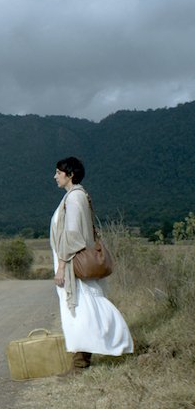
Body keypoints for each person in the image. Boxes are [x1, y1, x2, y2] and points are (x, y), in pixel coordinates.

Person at [49, 156, 133, 370]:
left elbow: (72, 235)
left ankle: (89, 355)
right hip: (70, 262)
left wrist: (61, 266)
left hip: (71, 263)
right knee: (82, 307)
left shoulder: (74, 197)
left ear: (70, 174)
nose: (55, 176)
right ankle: (82, 357)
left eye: (58, 172)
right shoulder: (74, 196)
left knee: (83, 306)